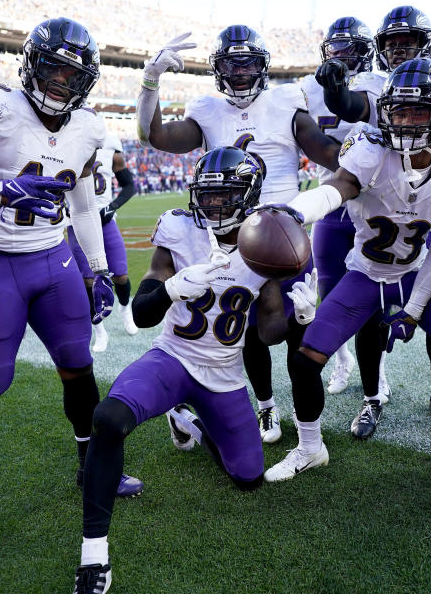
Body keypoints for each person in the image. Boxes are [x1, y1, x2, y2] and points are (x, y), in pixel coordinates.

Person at [0, 17, 142, 570]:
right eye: (54, 68)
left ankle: (90, 467)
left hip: (57, 258)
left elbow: (86, 207)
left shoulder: (87, 128)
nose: (62, 83)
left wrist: (94, 272)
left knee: (77, 365)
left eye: (74, 74)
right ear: (30, 63)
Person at [72, 146, 314, 593]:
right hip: (174, 358)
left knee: (248, 477)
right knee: (108, 419)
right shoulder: (179, 229)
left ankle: (190, 423)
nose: (213, 204)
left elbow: (269, 330)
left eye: (225, 196)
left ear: (249, 196)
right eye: (206, 195)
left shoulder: (267, 239)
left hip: (224, 376)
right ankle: (93, 556)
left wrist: (299, 318)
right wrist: (171, 288)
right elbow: (143, 314)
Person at [261, 59, 431, 493]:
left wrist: (413, 311)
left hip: (416, 275)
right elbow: (337, 188)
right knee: (305, 363)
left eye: (421, 110)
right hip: (365, 276)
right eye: (400, 110)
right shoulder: (371, 151)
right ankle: (309, 447)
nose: (408, 121)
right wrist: (298, 211)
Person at [136, 26, 341, 445]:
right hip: (234, 239)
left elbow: (327, 152)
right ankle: (265, 407)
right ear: (218, 68)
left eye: (249, 62)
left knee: (302, 336)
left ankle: (309, 436)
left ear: (263, 67)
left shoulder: (285, 101)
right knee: (250, 334)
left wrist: (369, 142)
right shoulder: (209, 111)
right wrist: (150, 81)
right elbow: (154, 136)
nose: (241, 71)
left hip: (287, 235)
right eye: (232, 62)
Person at [314, 5, 431, 436]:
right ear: (379, 50)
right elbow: (347, 105)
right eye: (392, 43)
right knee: (367, 312)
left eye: (408, 42)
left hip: (422, 206)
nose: (400, 50)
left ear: (427, 44)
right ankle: (371, 397)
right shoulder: (373, 84)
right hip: (370, 202)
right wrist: (335, 89)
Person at [300, 16, 376, 396]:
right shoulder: (304, 89)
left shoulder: (378, 85)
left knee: (375, 291)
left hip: (376, 202)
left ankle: (376, 379)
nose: (341, 56)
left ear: (366, 52)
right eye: (335, 49)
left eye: (350, 49)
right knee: (329, 291)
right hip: (331, 201)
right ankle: (344, 362)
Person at [66, 132, 138, 352]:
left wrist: (113, 206)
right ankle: (99, 330)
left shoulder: (109, 146)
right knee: (88, 281)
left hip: (104, 219)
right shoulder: (66, 142)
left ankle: (125, 311)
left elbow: (129, 186)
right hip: (77, 221)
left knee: (121, 274)